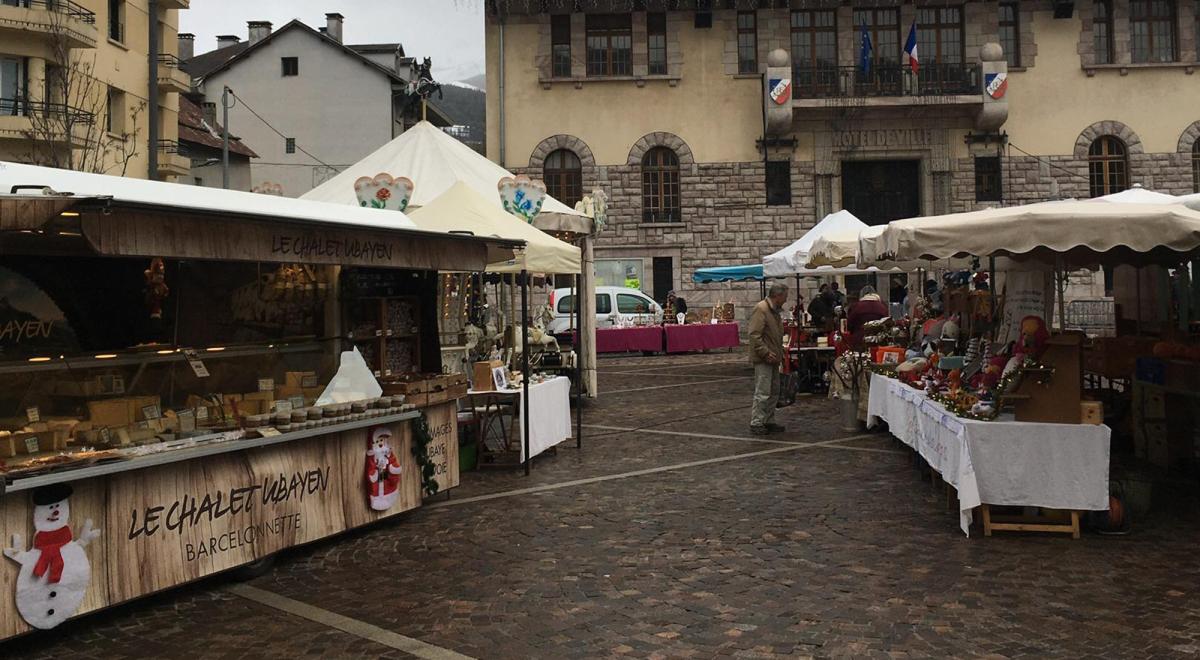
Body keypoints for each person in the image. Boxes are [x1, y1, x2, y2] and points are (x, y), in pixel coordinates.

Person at [748, 283, 788, 435]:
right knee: (763, 390)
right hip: (764, 358)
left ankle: (768, 419)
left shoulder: (774, 311)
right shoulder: (761, 309)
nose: (786, 300)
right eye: (785, 296)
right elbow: (754, 335)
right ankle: (757, 421)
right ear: (778, 296)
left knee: (773, 390)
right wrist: (765, 352)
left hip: (774, 356)